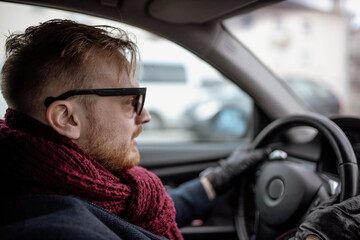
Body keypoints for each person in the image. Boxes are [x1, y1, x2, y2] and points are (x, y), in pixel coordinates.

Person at [0, 19, 269, 240]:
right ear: (67, 118)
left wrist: (211, 183)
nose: (145, 116)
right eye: (130, 102)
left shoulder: (74, 191)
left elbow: (132, 219)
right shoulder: (58, 231)